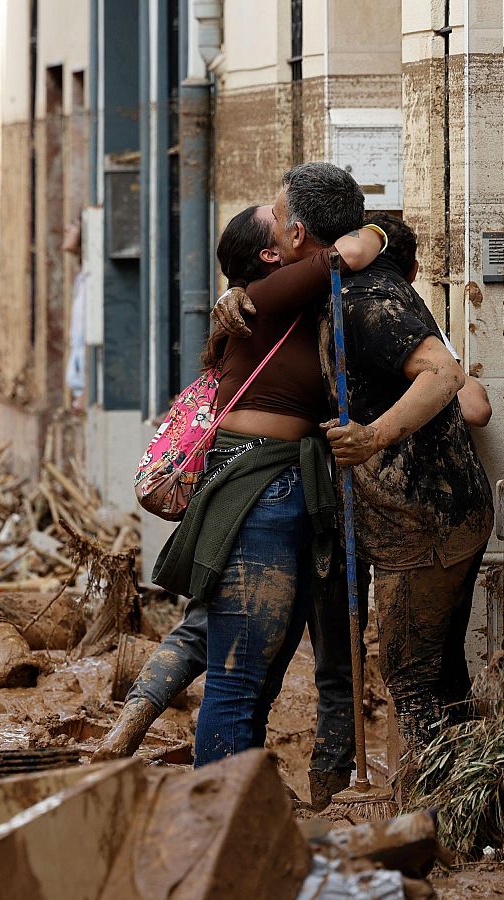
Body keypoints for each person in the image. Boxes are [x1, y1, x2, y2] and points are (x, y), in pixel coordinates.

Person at [99, 200, 383, 808]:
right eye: (282, 218)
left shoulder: (260, 300)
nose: (290, 218)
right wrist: (383, 226)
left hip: (260, 488)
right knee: (239, 668)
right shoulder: (269, 294)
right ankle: (215, 809)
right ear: (270, 254)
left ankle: (235, 797)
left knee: (249, 658)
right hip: (264, 491)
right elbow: (359, 247)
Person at [318, 212, 493, 791]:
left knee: (407, 673)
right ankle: (467, 799)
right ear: (417, 267)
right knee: (439, 673)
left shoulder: (374, 305)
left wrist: (374, 435)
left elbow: (447, 382)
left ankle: (447, 805)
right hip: (437, 518)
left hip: (425, 524)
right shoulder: (395, 302)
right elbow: (471, 403)